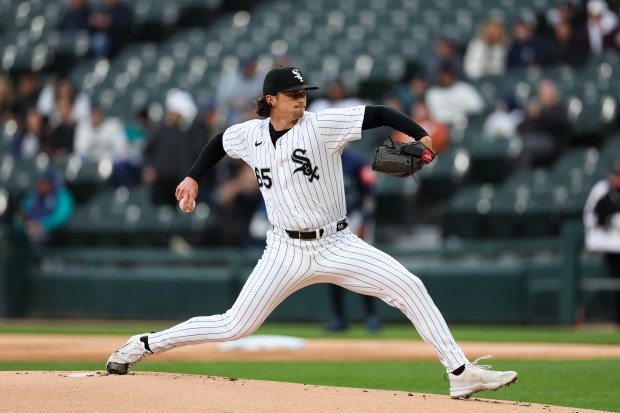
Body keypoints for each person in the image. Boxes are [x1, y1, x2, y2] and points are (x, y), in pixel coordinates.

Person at [106, 66, 518, 399]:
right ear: (271, 100)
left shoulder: (320, 125)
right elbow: (218, 142)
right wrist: (193, 177)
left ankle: (460, 372)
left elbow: (378, 113)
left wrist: (421, 136)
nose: (302, 98)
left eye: (304, 92)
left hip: (337, 243)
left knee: (408, 285)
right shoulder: (249, 134)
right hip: (284, 249)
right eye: (293, 93)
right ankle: (143, 344)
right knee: (235, 325)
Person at [325, 148, 380, 332]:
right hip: (332, 220)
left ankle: (371, 316)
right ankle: (339, 317)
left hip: (356, 217)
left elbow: (370, 194)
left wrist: (366, 220)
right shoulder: (320, 158)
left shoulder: (357, 161)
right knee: (332, 269)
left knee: (365, 267)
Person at [142, 89, 204, 206]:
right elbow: (146, 151)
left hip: (179, 180)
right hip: (160, 181)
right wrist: (148, 167)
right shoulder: (158, 129)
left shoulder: (187, 132)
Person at [583, 157, 620, 324]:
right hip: (603, 245)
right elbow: (589, 217)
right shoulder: (601, 190)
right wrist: (606, 221)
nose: (616, 178)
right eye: (615, 174)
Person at [516, 79, 570, 168]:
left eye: (544, 94)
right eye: (540, 94)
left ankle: (522, 174)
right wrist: (528, 116)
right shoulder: (539, 110)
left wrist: (538, 114)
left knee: (527, 144)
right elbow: (522, 128)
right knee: (518, 144)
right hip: (535, 140)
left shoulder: (560, 108)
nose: (541, 97)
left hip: (553, 142)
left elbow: (556, 125)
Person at [13, 170, 74, 246]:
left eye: (43, 183)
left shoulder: (62, 196)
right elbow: (22, 211)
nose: (40, 186)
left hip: (53, 233)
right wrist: (22, 222)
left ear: (51, 184)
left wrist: (42, 225)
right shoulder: (34, 195)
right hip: (29, 230)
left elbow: (59, 216)